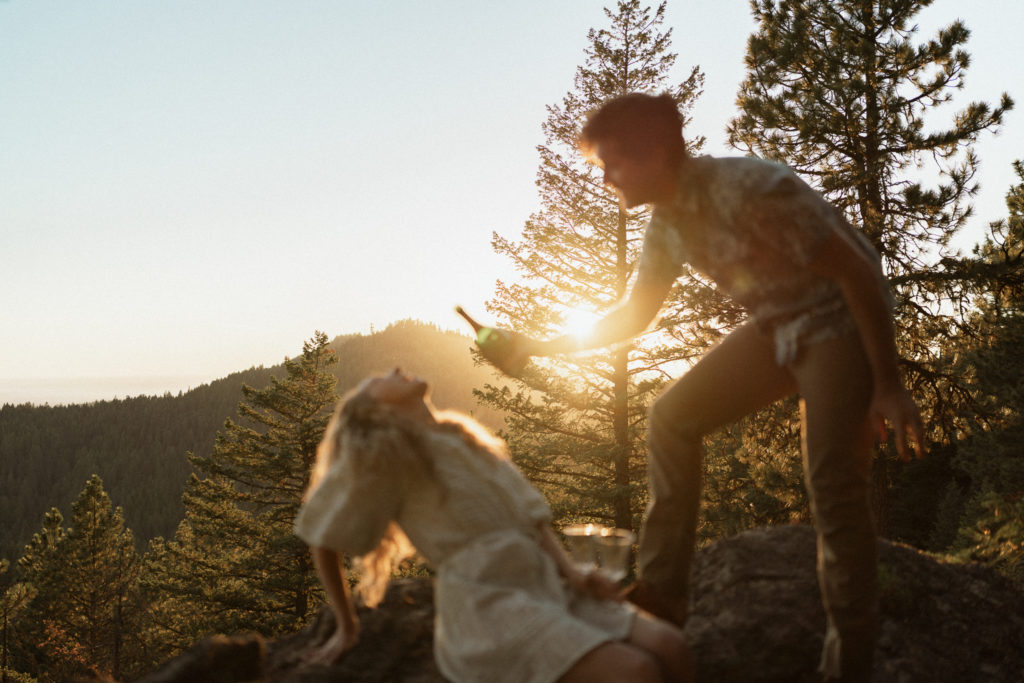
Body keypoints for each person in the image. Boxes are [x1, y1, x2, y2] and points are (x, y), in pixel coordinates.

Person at [503, 92, 925, 682]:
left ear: (654, 154)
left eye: (612, 164)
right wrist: (537, 346)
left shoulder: (751, 191)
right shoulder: (667, 225)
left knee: (834, 490)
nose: (606, 179)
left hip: (838, 325)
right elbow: (632, 317)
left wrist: (888, 382)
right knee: (670, 419)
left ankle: (848, 664)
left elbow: (857, 267)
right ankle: (664, 592)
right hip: (776, 326)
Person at [293, 368, 694, 683]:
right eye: (376, 381)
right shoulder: (385, 452)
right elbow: (322, 535)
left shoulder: (465, 438)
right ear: (372, 412)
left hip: (547, 585)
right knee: (635, 672)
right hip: (488, 605)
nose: (395, 369)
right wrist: (347, 627)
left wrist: (573, 574)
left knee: (673, 646)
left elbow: (531, 520)